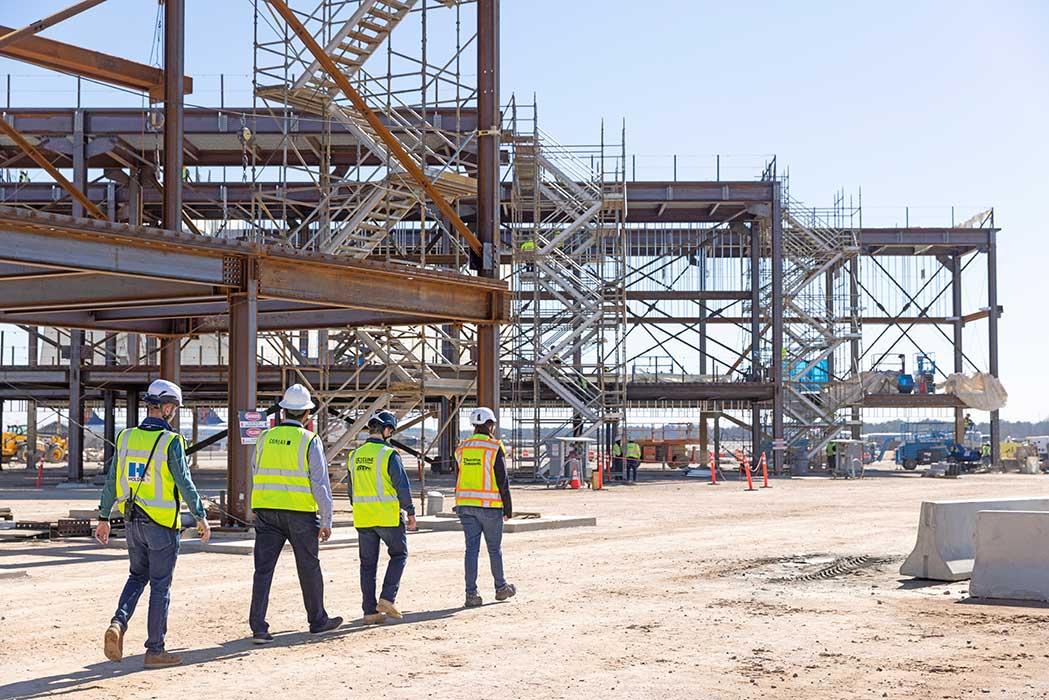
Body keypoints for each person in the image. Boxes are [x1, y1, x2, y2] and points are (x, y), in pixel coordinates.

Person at [94, 379, 211, 669]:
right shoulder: (171, 441)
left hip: (131, 522)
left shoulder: (126, 437)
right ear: (168, 407)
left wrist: (103, 517)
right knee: (160, 586)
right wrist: (200, 516)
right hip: (161, 525)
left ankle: (118, 623)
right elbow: (185, 482)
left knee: (137, 576)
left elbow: (111, 481)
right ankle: (155, 650)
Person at [248, 384, 342, 644]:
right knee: (309, 567)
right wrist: (326, 520)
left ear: (283, 411)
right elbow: (320, 484)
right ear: (306, 414)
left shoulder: (265, 438)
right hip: (300, 514)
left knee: (263, 571)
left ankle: (258, 627)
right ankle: (318, 621)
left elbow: (255, 470)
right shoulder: (310, 440)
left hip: (266, 512)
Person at [350, 410, 417, 624]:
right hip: (388, 517)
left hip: (363, 518)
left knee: (367, 565)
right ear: (387, 430)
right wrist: (411, 511)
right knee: (399, 555)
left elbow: (351, 491)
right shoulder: (389, 454)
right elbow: (402, 487)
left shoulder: (355, 455)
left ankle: (370, 612)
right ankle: (387, 598)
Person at [455, 407, 515, 608]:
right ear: (490, 424)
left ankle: (471, 594)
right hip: (490, 507)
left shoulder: (462, 448)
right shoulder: (494, 447)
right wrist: (508, 508)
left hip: (465, 505)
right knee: (494, 549)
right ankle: (501, 588)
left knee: (471, 550)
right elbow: (502, 480)